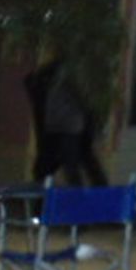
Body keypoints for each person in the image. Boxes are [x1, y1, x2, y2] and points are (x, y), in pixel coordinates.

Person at [24, 58, 107, 187]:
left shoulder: (64, 77)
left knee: (71, 164)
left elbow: (82, 99)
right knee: (77, 163)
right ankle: (91, 191)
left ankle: (81, 194)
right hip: (63, 128)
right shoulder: (56, 80)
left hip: (65, 128)